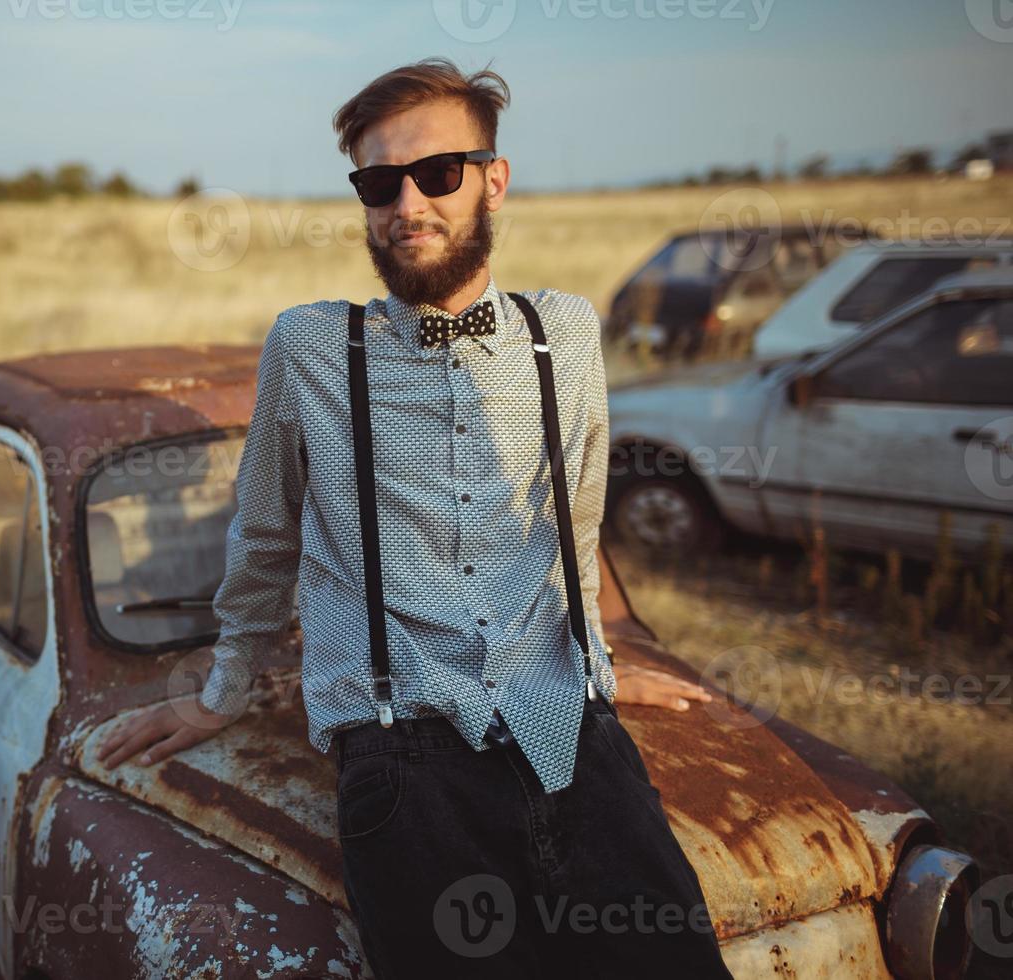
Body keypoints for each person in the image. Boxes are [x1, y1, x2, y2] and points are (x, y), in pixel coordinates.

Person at [97, 57, 733, 979]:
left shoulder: (567, 334)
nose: (409, 205)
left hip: (569, 725)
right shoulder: (311, 347)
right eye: (378, 182)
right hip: (403, 758)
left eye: (438, 174)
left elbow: (576, 521)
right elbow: (265, 537)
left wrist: (596, 659)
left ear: (493, 181)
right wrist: (222, 690)